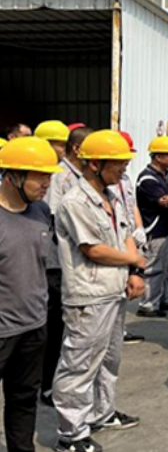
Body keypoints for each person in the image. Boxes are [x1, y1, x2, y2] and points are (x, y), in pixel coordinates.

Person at [52, 130, 145, 452]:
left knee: (108, 359)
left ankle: (101, 413)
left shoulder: (113, 196)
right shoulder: (75, 201)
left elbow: (126, 234)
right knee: (79, 365)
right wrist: (134, 260)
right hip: (88, 296)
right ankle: (71, 433)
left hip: (114, 291)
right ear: (94, 164)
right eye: (117, 164)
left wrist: (134, 272)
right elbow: (92, 249)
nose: (123, 169)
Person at [0, 138, 61, 452]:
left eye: (49, 175)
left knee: (24, 399)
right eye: (40, 176)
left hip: (35, 327)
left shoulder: (41, 211)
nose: (47, 183)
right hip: (2, 331)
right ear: (13, 176)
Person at [41, 125, 93, 408]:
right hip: (56, 262)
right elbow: (53, 218)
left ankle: (64, 381)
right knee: (54, 325)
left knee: (69, 326)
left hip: (74, 262)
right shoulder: (60, 176)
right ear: (77, 149)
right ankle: (47, 385)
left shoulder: (82, 177)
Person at [136, 137, 168, 318]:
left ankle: (164, 298)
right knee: (154, 268)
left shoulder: (167, 175)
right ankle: (148, 304)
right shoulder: (147, 178)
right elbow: (164, 201)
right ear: (157, 156)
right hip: (155, 230)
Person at [115, 132, 148, 345]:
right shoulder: (105, 182)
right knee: (118, 286)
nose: (127, 162)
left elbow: (132, 205)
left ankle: (121, 328)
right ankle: (116, 329)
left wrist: (139, 227)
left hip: (129, 235)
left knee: (127, 285)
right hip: (115, 237)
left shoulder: (126, 179)